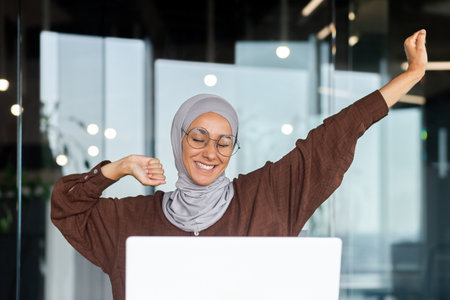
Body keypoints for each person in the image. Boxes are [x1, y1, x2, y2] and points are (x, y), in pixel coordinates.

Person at [51, 30, 428, 300]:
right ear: (177, 139)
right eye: (197, 137)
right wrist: (116, 169)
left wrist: (410, 76)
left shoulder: (269, 196)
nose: (210, 152)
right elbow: (67, 208)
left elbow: (336, 135)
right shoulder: (128, 221)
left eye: (223, 142)